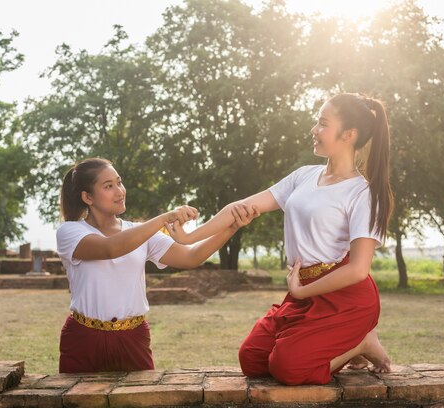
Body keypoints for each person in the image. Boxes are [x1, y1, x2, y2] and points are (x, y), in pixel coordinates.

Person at [165, 93, 393, 385]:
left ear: (348, 135)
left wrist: (299, 292)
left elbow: (359, 269)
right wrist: (189, 237)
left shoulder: (362, 193)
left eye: (323, 123)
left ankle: (361, 343)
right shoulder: (303, 177)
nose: (314, 129)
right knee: (253, 359)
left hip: (344, 298)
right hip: (303, 290)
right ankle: (347, 345)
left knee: (289, 368)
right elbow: (243, 207)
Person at [56, 157, 258, 373]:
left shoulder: (141, 232)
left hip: (133, 338)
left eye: (119, 182)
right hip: (83, 338)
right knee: (75, 404)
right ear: (87, 197)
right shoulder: (70, 231)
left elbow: (192, 257)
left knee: (142, 404)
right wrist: (164, 218)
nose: (120, 191)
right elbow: (109, 248)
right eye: (108, 186)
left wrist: (231, 227)